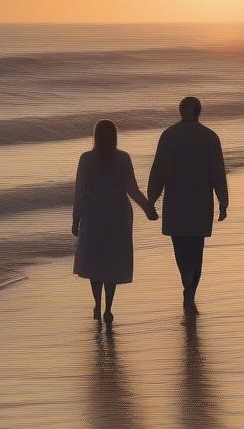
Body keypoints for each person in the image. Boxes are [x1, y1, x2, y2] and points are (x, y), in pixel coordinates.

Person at [147, 96, 228, 314]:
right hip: (201, 204)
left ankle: (187, 287)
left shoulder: (169, 136)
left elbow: (158, 171)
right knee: (197, 250)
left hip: (176, 204)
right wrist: (223, 202)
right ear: (199, 111)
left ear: (180, 111)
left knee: (181, 250)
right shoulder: (210, 137)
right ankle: (190, 291)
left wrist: (151, 200)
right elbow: (218, 173)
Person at [72, 119, 156, 323]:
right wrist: (147, 208)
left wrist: (76, 220)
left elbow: (80, 192)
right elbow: (132, 189)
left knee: (95, 261)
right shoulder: (123, 159)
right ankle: (108, 307)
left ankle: (98, 304)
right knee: (112, 261)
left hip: (94, 213)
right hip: (118, 213)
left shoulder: (86, 159)